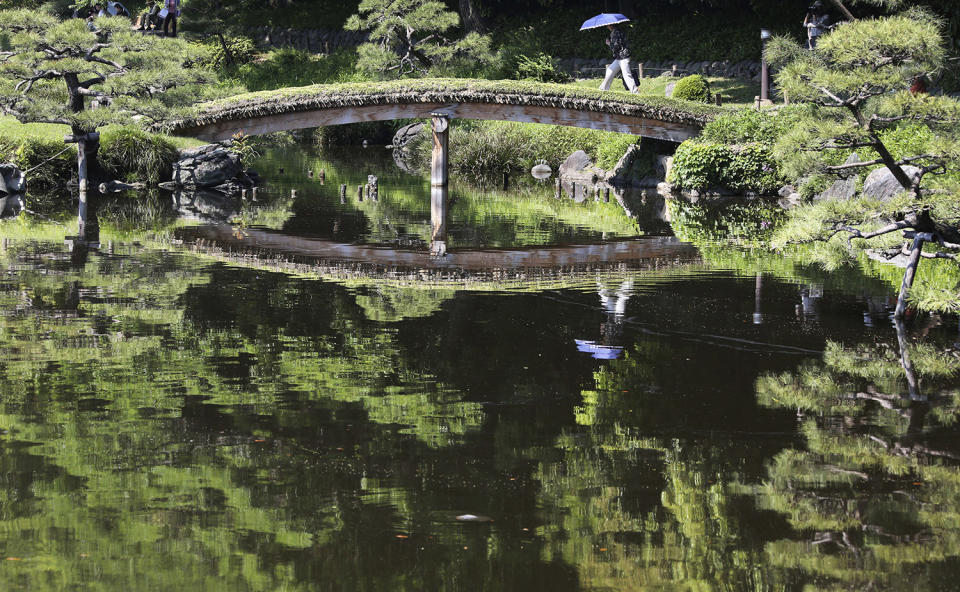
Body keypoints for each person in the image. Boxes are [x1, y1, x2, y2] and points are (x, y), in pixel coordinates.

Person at [599, 24, 638, 93]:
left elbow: (616, 47)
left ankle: (635, 92)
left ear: (611, 26)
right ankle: (603, 89)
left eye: (607, 26)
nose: (607, 27)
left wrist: (609, 43)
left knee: (626, 75)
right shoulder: (618, 31)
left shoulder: (615, 33)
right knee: (609, 71)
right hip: (619, 58)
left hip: (623, 57)